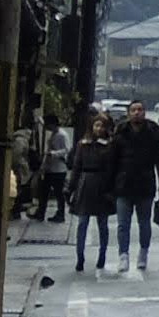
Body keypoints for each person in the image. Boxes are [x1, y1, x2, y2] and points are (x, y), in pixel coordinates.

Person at [113, 101, 159, 273]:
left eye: (140, 110)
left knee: (144, 223)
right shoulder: (121, 133)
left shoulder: (153, 133)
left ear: (144, 112)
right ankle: (123, 255)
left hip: (145, 185)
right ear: (129, 113)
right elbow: (112, 161)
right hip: (123, 185)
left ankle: (143, 253)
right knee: (123, 224)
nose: (137, 113)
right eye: (133, 110)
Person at [68, 113, 119, 272]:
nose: (99, 128)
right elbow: (76, 166)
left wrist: (112, 191)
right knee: (82, 222)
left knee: (102, 224)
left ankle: (102, 255)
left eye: (102, 126)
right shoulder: (83, 144)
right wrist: (70, 188)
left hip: (103, 185)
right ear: (92, 127)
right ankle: (80, 257)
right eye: (96, 125)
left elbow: (113, 169)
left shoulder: (109, 145)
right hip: (85, 183)